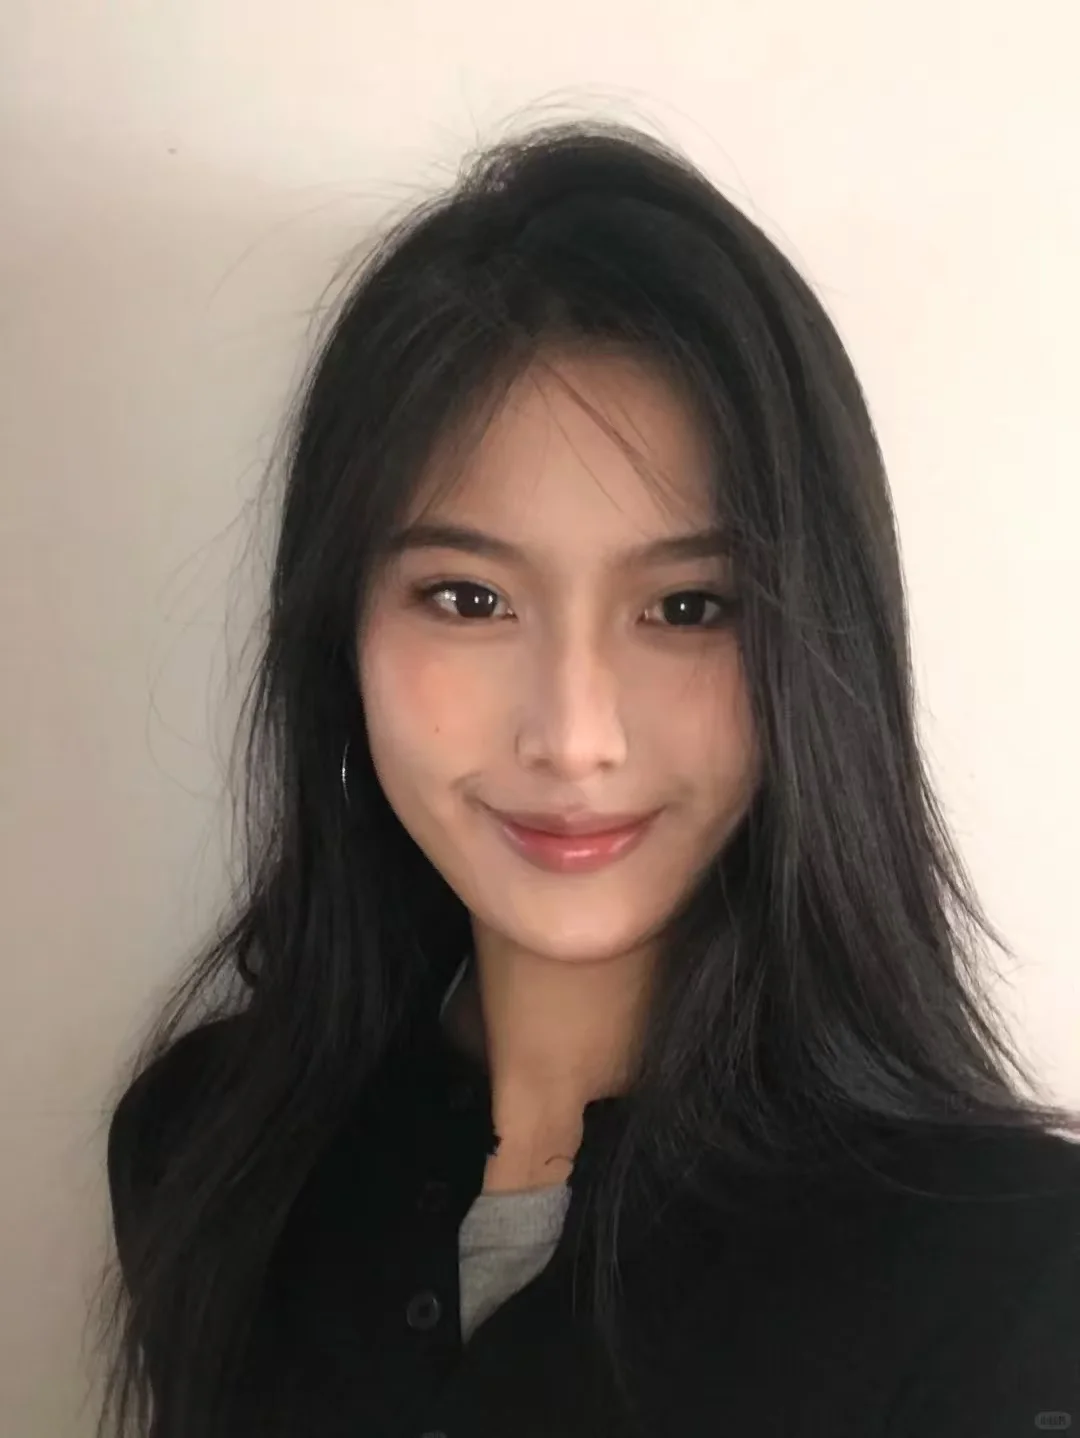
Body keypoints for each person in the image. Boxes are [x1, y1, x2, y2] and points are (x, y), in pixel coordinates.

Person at [96, 119, 1080, 1438]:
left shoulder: (1013, 1281)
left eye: (687, 607)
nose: (572, 735)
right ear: (341, 629)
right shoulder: (204, 1154)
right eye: (468, 597)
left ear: (818, 648)